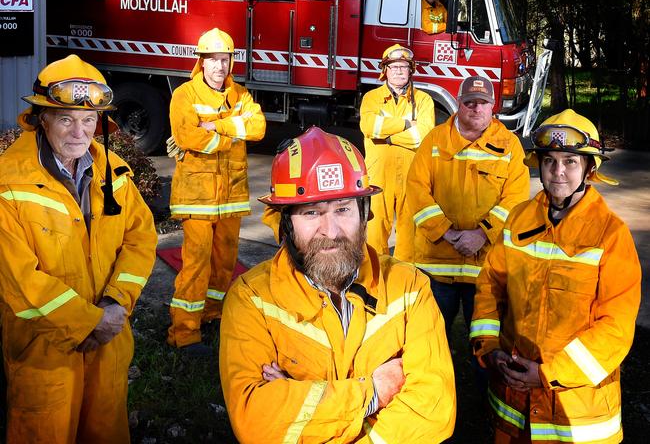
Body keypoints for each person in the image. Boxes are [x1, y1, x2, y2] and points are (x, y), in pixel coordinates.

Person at [219, 127, 456, 443]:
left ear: (364, 213)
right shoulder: (252, 299)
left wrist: (301, 401)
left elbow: (433, 411)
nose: (330, 230)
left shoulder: (409, 287)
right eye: (311, 212)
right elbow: (256, 421)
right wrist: (373, 392)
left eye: (343, 208)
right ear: (286, 223)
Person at [0, 54, 157, 443]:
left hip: (109, 346)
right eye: (67, 118)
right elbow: (19, 282)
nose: (79, 132)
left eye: (89, 121)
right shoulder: (9, 184)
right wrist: (89, 322)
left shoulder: (115, 173)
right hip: (45, 354)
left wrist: (118, 303)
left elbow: (140, 238)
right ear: (41, 119)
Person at [469, 110, 641, 443]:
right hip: (514, 405)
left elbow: (615, 328)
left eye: (570, 162)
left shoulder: (611, 235)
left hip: (577, 415)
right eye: (550, 161)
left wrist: (549, 374)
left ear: (590, 169)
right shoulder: (518, 220)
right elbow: (490, 284)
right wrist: (489, 348)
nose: (558, 171)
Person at [166, 28, 266, 352]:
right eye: (212, 60)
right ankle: (184, 333)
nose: (219, 67)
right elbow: (188, 137)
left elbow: (259, 128)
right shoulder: (185, 95)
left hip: (231, 196)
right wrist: (233, 135)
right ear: (201, 62)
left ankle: (212, 314)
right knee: (195, 264)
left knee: (225, 263)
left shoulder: (240, 94)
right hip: (197, 196)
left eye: (224, 60)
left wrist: (218, 126)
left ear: (230, 62)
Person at [406, 76, 529, 337]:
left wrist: (482, 233)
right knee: (432, 339)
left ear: (492, 106)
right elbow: (416, 191)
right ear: (458, 104)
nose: (476, 108)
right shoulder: (435, 140)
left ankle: (482, 378)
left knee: (486, 342)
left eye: (482, 103)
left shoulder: (510, 146)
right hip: (437, 266)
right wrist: (447, 232)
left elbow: (516, 199)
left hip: (486, 267)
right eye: (470, 102)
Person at [359, 44, 436, 261]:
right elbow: (369, 126)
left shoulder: (423, 100)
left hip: (412, 177)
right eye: (393, 67)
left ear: (411, 70)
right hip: (378, 177)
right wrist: (406, 123)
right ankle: (375, 282)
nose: (399, 71)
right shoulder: (371, 98)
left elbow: (422, 136)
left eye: (404, 66)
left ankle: (404, 281)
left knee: (410, 237)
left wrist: (387, 136)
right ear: (385, 71)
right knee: (373, 235)